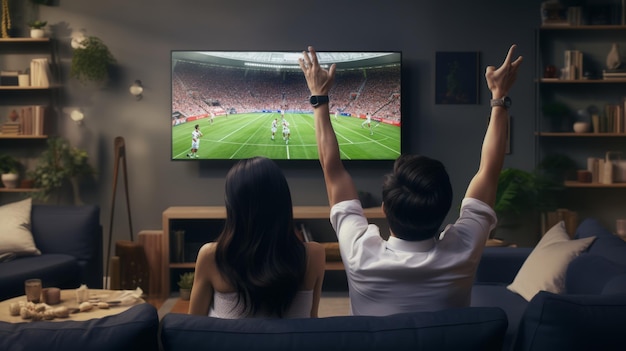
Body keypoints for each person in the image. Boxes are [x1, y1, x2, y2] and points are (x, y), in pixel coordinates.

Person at [299, 44, 522, 315]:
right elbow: (489, 170)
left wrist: (319, 98)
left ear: (383, 209)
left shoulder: (360, 254)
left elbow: (332, 169)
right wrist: (499, 98)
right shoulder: (463, 251)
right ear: (445, 210)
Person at [189, 156, 326, 318]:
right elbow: (312, 322)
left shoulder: (211, 256)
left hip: (231, 344)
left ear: (233, 206)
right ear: (283, 202)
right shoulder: (314, 255)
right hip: (290, 344)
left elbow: (193, 329)